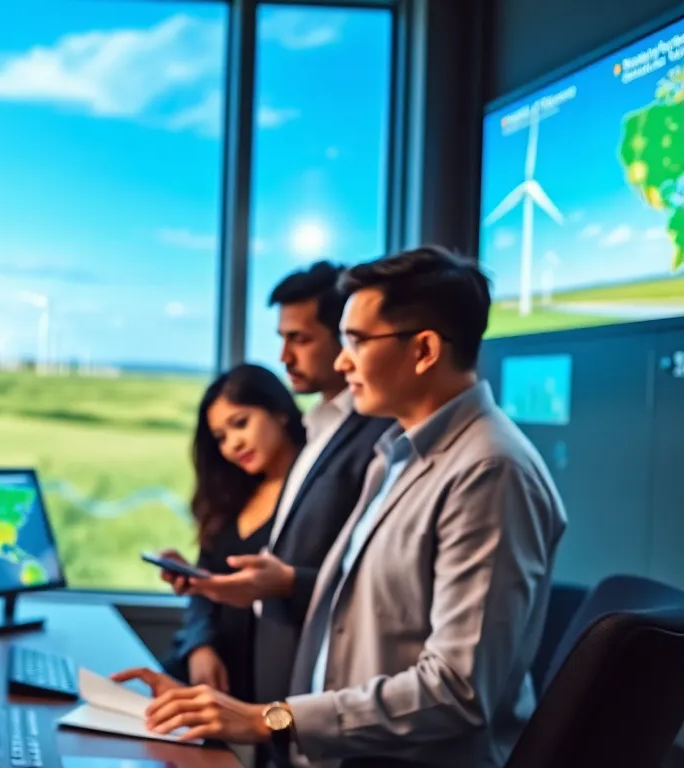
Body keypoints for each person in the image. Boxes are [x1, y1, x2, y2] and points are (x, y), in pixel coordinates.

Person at [115, 246, 567, 768]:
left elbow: (457, 691)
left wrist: (270, 718)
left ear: (423, 350)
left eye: (355, 340)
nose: (340, 360)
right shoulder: (394, 456)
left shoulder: (490, 472)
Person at [160, 364, 306, 705]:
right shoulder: (234, 495)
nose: (233, 445)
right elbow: (205, 592)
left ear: (279, 412)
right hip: (201, 679)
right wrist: (199, 646)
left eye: (241, 423)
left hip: (261, 697)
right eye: (221, 437)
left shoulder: (310, 498)